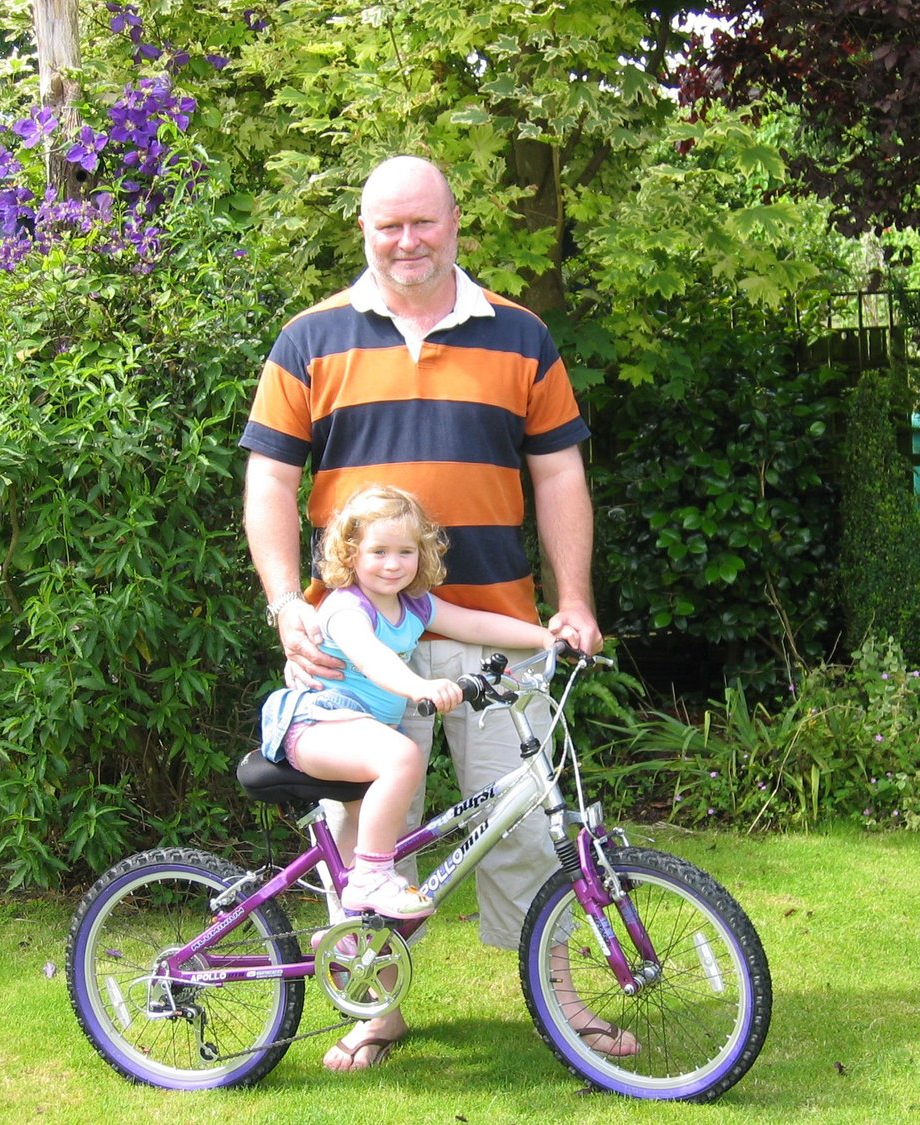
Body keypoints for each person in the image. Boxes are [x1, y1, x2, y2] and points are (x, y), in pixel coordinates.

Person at [241, 154, 627, 1070]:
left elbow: (559, 474)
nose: (406, 241)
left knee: (524, 831)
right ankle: (372, 1006)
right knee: (360, 836)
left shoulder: (521, 335)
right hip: (354, 648)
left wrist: (573, 601)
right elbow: (269, 482)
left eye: (423, 222)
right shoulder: (308, 338)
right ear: (364, 231)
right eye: (389, 225)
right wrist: (286, 604)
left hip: (493, 630)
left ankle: (563, 999)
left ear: (455, 223)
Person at [257, 484, 555, 920]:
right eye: (378, 552)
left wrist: (543, 637)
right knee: (402, 757)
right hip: (315, 725)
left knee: (373, 826)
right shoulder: (346, 608)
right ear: (351, 554)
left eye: (405, 552)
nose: (393, 564)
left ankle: (352, 932)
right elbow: (371, 658)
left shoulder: (413, 605)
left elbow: (472, 624)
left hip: (358, 732)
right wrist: (420, 687)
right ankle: (371, 878)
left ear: (422, 554)